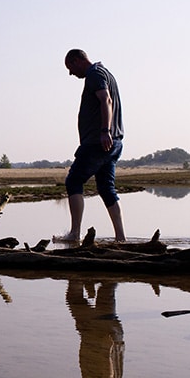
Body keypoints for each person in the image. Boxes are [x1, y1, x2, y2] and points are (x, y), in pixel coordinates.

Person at [56, 49, 125, 242]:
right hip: (113, 143)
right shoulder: (105, 73)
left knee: (73, 181)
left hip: (98, 142)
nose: (71, 73)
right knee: (106, 188)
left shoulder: (95, 74)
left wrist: (105, 131)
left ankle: (74, 234)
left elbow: (106, 100)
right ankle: (120, 238)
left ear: (77, 61)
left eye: (70, 68)